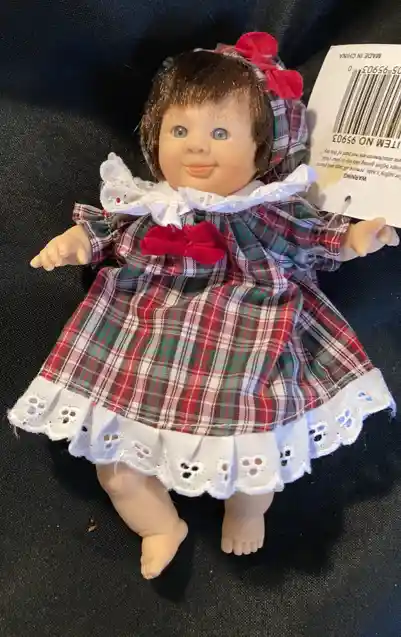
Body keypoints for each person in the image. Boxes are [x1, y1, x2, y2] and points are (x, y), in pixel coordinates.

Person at [8, 32, 398, 580]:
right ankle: (159, 526)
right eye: (180, 131)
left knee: (255, 458)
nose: (196, 147)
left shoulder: (264, 210)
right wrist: (73, 242)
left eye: (219, 132)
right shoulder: (149, 204)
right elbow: (104, 230)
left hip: (246, 336)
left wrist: (357, 237)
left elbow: (314, 236)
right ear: (155, 136)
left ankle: (247, 509)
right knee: (114, 465)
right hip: (141, 338)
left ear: (263, 150)